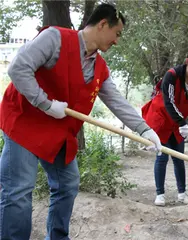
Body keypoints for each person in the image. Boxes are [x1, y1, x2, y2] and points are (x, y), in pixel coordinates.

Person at [0, 4, 162, 240]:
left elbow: (117, 102)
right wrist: (45, 103)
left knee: (67, 183)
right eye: (117, 34)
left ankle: (57, 237)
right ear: (102, 24)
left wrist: (145, 129)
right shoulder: (54, 38)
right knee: (19, 191)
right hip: (24, 122)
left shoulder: (99, 68)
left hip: (56, 132)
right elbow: (18, 68)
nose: (117, 42)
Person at [142, 44, 188, 206]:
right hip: (162, 120)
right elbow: (169, 101)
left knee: (179, 158)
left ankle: (182, 193)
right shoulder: (171, 75)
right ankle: (160, 194)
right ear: (187, 61)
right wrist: (182, 123)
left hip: (178, 124)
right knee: (161, 157)